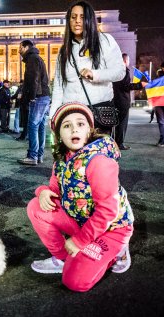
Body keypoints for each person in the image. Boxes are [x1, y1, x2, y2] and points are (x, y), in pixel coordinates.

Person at [27, 102, 134, 292]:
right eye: (66, 125)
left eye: (80, 123)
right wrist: (42, 191)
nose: (74, 128)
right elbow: (54, 189)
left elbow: (108, 211)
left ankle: (115, 251)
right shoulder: (62, 159)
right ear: (59, 134)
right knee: (36, 207)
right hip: (83, 221)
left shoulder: (98, 161)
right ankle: (64, 258)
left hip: (111, 228)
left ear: (90, 130)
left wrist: (79, 241)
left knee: (75, 282)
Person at [49, 1, 125, 134]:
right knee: (74, 155)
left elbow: (120, 72)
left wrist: (95, 74)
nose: (77, 21)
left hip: (99, 113)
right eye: (73, 17)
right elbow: (59, 86)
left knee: (98, 155)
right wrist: (54, 115)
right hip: (71, 113)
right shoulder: (64, 50)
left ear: (90, 19)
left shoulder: (104, 41)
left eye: (82, 17)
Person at [17, 39, 51, 166]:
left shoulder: (32, 59)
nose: (19, 50)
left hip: (38, 97)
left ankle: (32, 155)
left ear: (26, 47)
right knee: (40, 126)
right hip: (44, 96)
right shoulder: (37, 58)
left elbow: (33, 78)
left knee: (33, 125)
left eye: (20, 47)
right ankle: (39, 155)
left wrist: (32, 96)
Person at [112, 53, 146, 150]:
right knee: (122, 124)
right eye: (128, 60)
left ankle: (114, 143)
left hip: (115, 100)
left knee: (116, 124)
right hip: (123, 101)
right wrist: (140, 85)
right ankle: (119, 144)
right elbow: (126, 86)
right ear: (125, 61)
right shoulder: (124, 71)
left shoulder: (114, 71)